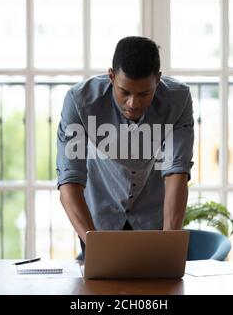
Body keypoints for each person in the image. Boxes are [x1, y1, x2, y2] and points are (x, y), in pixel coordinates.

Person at [56, 36, 194, 259]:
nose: (133, 103)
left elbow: (177, 172)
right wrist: (94, 245)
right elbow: (69, 181)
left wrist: (170, 246)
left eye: (144, 93)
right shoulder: (79, 102)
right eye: (125, 92)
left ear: (158, 80)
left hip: (154, 221)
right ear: (111, 76)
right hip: (99, 222)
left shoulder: (177, 100)